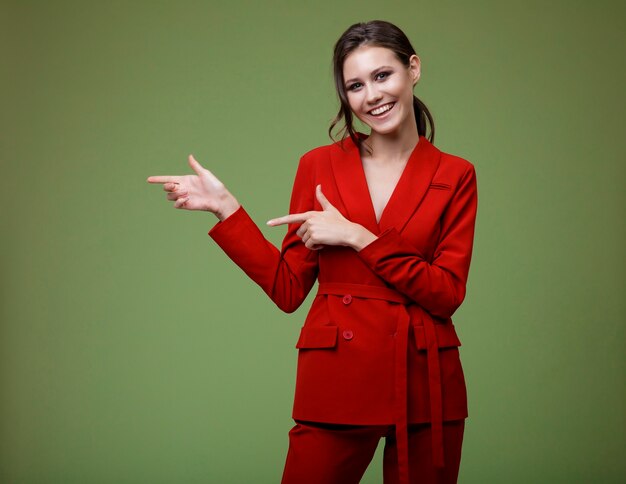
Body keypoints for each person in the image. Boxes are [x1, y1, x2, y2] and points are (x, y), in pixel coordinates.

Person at [147, 19, 477, 484]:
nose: (372, 96)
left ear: (413, 69)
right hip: (338, 376)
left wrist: (356, 236)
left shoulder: (455, 174)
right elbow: (287, 289)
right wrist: (226, 209)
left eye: (383, 76)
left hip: (426, 382)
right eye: (355, 86)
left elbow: (446, 294)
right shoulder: (319, 164)